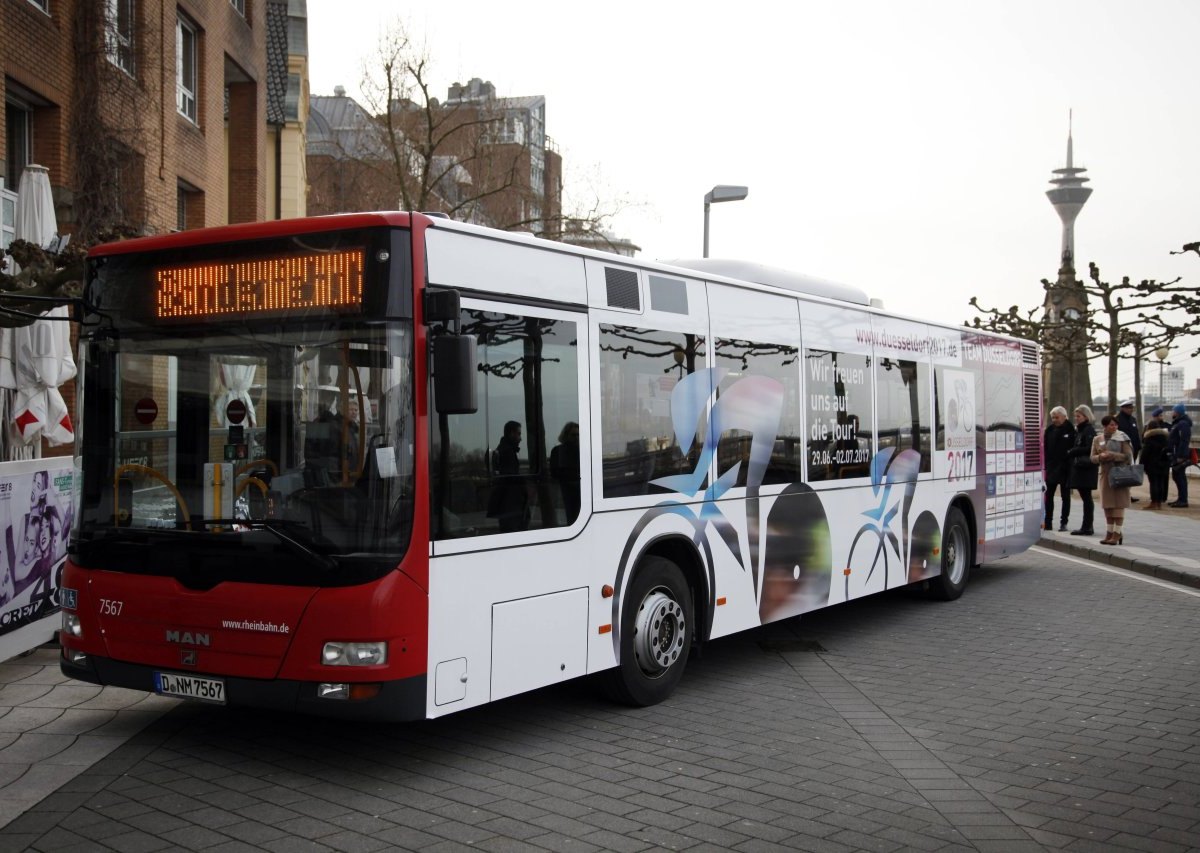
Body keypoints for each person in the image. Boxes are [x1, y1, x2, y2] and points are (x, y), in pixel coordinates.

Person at [1092, 414, 1134, 545]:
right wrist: (1100, 458)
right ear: (1105, 426)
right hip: (1105, 475)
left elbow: (1128, 456)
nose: (1114, 427)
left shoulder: (1122, 438)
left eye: (1115, 424)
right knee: (1108, 506)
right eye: (1111, 425)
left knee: (1118, 506)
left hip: (1120, 475)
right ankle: (1109, 532)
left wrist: (1112, 455)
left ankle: (1117, 533)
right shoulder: (1097, 439)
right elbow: (1092, 457)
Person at [488, 420, 529, 532]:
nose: (520, 438)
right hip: (511, 504)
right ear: (512, 433)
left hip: (506, 503)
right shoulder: (508, 452)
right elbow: (511, 477)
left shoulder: (502, 449)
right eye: (519, 434)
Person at [1065, 404, 1098, 536]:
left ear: (1086, 416)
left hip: (1085, 468)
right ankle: (1087, 525)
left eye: (1078, 416)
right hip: (1081, 468)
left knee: (1087, 498)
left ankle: (1087, 526)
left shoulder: (1088, 430)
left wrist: (1073, 451)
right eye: (1076, 416)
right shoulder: (1081, 430)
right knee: (1086, 497)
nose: (1076, 419)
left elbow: (1090, 448)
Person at [1042, 405, 1075, 531]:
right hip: (1051, 467)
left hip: (1065, 468)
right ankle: (1048, 521)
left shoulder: (1070, 429)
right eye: (1052, 417)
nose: (1055, 420)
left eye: (1057, 417)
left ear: (1064, 417)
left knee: (1065, 496)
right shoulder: (1049, 430)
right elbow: (1045, 447)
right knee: (1049, 495)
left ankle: (1064, 522)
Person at [549, 421, 581, 524]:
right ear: (566, 435)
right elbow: (554, 472)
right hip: (565, 491)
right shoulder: (558, 451)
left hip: (580, 492)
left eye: (578, 435)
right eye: (573, 435)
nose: (576, 437)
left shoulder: (582, 450)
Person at [1140, 406, 1170, 509]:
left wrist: (1141, 464)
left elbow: (1145, 453)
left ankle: (1153, 502)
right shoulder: (1165, 438)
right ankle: (1159, 503)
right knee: (1161, 483)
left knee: (1153, 483)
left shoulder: (1149, 439)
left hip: (1152, 464)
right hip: (1163, 464)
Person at [1116, 400, 1142, 503]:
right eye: (1129, 408)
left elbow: (1135, 434)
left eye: (1132, 408)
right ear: (1123, 408)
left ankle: (1127, 494)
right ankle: (1120, 494)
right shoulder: (1118, 420)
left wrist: (1138, 446)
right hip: (1122, 451)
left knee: (1129, 473)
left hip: (1133, 450)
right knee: (1122, 473)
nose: (1131, 410)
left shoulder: (1133, 420)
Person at [1167, 403, 1193, 508]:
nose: (1172, 412)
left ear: (1177, 412)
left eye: (1173, 411)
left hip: (1180, 454)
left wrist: (1181, 455)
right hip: (1176, 453)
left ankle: (1183, 500)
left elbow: (1184, 440)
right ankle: (1180, 498)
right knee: (1177, 476)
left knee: (1180, 476)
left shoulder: (1183, 424)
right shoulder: (1179, 423)